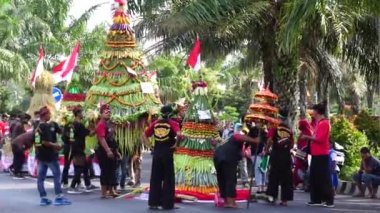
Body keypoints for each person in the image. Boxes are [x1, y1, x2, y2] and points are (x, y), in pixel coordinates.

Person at [145, 105, 180, 210]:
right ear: (170, 114)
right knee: (168, 179)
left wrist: (150, 147)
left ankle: (153, 203)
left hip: (157, 152)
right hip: (167, 153)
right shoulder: (173, 123)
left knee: (155, 178)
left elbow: (144, 135)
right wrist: (175, 145)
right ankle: (167, 204)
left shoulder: (155, 124)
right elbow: (179, 134)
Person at [214, 127, 259, 208]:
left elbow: (241, 153)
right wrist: (254, 140)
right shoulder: (238, 136)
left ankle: (227, 202)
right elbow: (238, 136)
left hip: (219, 155)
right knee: (230, 179)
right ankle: (231, 202)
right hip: (226, 156)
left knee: (223, 179)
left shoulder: (240, 143)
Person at [34, 106, 71, 206]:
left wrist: (65, 125)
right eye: (49, 114)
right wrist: (56, 145)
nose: (50, 115)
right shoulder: (43, 127)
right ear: (45, 115)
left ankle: (43, 198)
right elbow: (45, 142)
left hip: (41, 156)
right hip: (50, 155)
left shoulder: (41, 125)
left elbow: (61, 131)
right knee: (56, 176)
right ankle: (59, 197)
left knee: (41, 178)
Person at [302, 101, 334, 208]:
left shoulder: (324, 123)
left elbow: (320, 139)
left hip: (321, 154)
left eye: (314, 111)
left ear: (318, 112)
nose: (312, 113)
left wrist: (308, 137)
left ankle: (329, 200)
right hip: (316, 154)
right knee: (314, 177)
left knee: (324, 178)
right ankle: (316, 199)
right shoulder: (319, 124)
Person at [265, 110, 294, 206]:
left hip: (276, 155)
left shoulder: (274, 127)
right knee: (286, 177)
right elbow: (292, 144)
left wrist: (266, 149)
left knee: (274, 176)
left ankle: (272, 197)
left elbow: (269, 140)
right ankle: (285, 200)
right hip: (286, 155)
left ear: (279, 117)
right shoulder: (289, 129)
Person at [67, 107, 97, 194]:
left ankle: (88, 185)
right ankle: (72, 186)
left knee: (84, 167)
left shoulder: (72, 124)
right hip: (79, 148)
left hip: (75, 147)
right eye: (82, 112)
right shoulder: (79, 125)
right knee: (80, 168)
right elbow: (90, 134)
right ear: (78, 114)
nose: (83, 114)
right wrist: (96, 128)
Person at [96, 104, 120, 198]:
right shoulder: (101, 124)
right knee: (105, 171)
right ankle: (103, 192)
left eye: (109, 112)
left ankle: (111, 190)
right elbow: (102, 139)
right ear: (101, 113)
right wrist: (108, 151)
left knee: (112, 170)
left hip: (111, 149)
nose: (108, 114)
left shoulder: (110, 123)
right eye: (106, 112)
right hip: (104, 151)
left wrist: (116, 151)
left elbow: (113, 139)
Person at [293, 119, 313, 189]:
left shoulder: (308, 132)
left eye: (300, 124)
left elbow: (309, 143)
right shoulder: (304, 132)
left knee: (299, 167)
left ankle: (297, 183)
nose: (299, 126)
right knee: (298, 167)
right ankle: (297, 183)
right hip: (300, 151)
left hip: (304, 152)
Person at [10, 113, 31, 178]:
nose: (27, 121)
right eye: (27, 119)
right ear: (24, 119)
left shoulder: (18, 124)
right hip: (17, 144)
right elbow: (22, 136)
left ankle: (14, 169)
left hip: (15, 143)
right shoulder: (20, 125)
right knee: (19, 157)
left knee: (18, 157)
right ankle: (17, 171)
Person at [249, 122, 267, 194]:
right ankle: (259, 187)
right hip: (255, 153)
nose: (260, 124)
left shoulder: (264, 132)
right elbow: (249, 140)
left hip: (263, 153)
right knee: (258, 169)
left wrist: (264, 150)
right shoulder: (252, 130)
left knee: (264, 170)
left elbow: (266, 142)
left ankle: (263, 186)